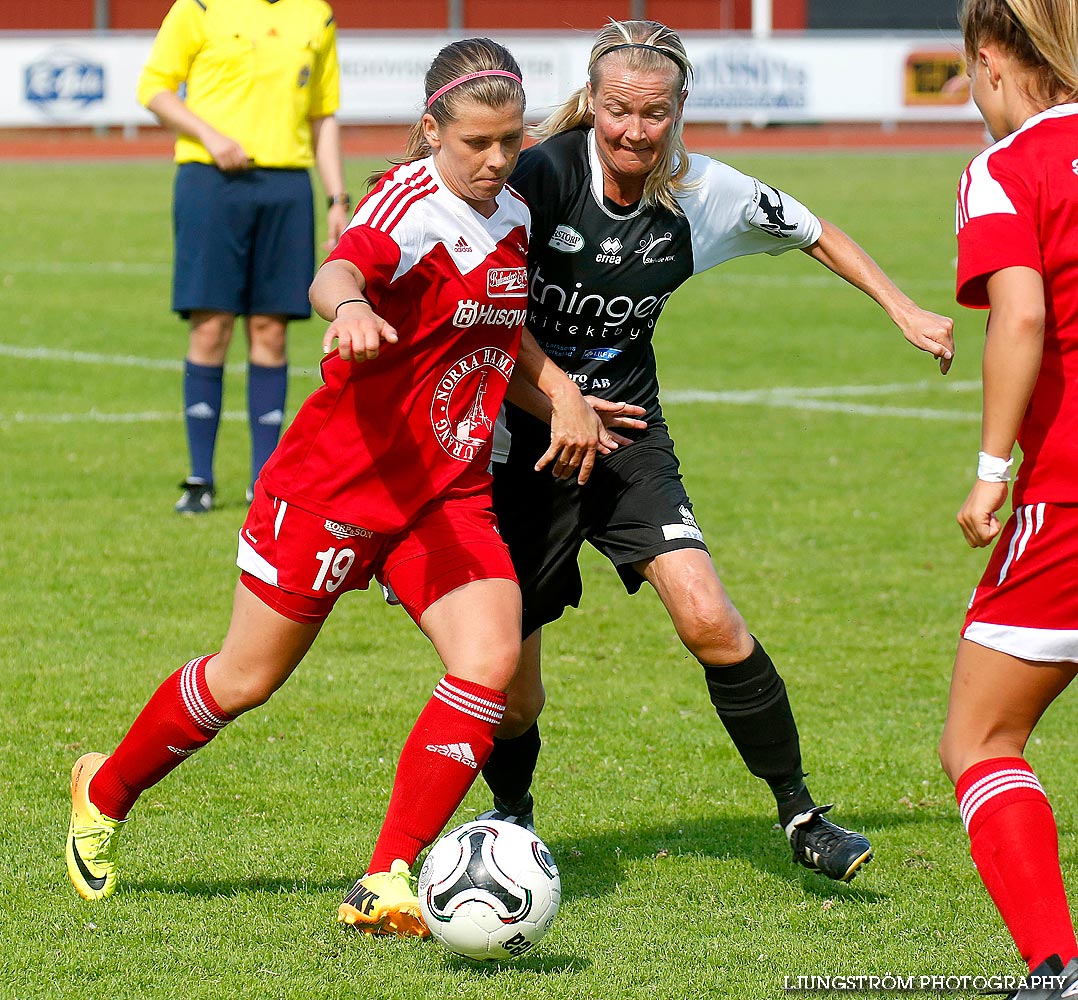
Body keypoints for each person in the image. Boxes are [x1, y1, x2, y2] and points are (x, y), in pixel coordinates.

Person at [66, 37, 634, 936]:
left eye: (509, 141)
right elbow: (337, 270)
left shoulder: (516, 214)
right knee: (244, 680)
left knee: (486, 664)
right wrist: (356, 307)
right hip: (335, 488)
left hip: (444, 494)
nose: (494, 161)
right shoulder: (407, 205)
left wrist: (561, 393)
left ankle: (387, 879)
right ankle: (103, 788)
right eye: (475, 143)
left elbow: (496, 339)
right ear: (430, 130)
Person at [476, 18, 957, 884]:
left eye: (652, 114)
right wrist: (560, 399)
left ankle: (802, 813)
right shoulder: (540, 177)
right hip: (521, 449)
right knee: (512, 688)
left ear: (680, 110)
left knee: (708, 616)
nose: (632, 129)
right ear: (592, 101)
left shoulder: (705, 193)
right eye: (617, 109)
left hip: (626, 438)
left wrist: (903, 308)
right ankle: (511, 820)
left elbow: (815, 230)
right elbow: (487, 312)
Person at [938, 0, 1078, 994]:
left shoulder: (1006, 169)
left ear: (991, 58)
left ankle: (1056, 968)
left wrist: (992, 469)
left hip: (1068, 498)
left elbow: (1019, 314)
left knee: (980, 738)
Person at [137, 0, 350, 514]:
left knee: (271, 330)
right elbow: (154, 90)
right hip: (211, 183)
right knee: (210, 326)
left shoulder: (314, 14)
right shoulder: (200, 7)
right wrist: (209, 136)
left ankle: (265, 481)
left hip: (286, 187)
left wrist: (336, 198)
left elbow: (323, 115)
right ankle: (199, 478)